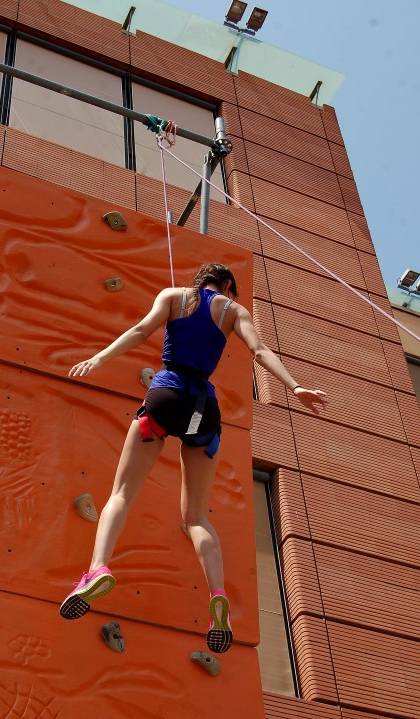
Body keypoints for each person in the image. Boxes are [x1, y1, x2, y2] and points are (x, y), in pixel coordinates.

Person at [59, 262, 326, 653]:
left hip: (165, 397)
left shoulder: (172, 296)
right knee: (196, 517)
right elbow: (260, 351)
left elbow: (140, 331)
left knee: (122, 495)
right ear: (227, 285)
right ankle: (217, 595)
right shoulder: (234, 311)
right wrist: (296, 387)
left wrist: (99, 358)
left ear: (200, 280)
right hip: (203, 409)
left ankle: (98, 568)